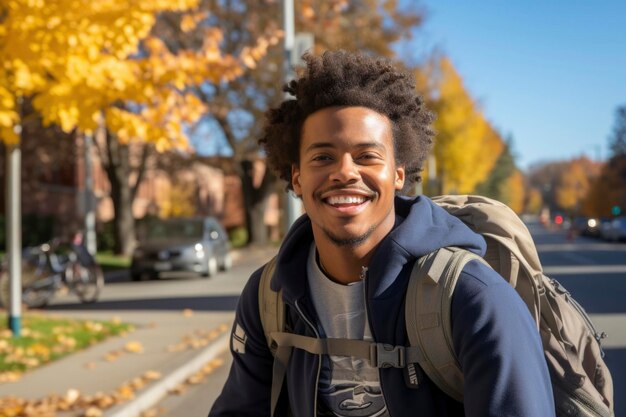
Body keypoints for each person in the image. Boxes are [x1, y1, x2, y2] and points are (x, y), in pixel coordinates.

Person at [209, 50, 555, 417]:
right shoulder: (269, 295)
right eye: (323, 157)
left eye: (366, 156)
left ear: (398, 174)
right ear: (297, 177)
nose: (345, 172)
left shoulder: (473, 299)